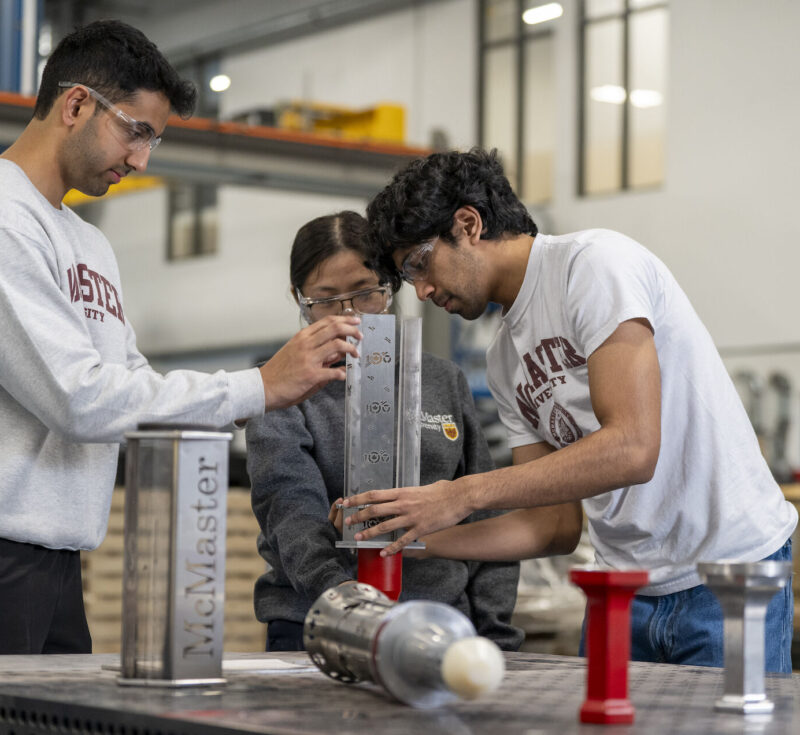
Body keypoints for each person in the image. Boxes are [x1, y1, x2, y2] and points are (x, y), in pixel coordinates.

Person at [342, 148, 798, 671]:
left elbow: (632, 447)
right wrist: (412, 537)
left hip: (729, 577)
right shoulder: (503, 359)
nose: (421, 290)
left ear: (467, 224)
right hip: (622, 589)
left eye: (420, 265)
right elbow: (550, 528)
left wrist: (458, 495)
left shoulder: (594, 265)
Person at [0, 20, 361, 655]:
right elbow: (79, 399)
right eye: (135, 131)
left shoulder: (89, 243)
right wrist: (257, 386)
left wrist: (260, 396)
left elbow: (134, 387)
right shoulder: (6, 219)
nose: (141, 160)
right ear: (76, 103)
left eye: (154, 142)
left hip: (58, 557)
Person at [246, 211, 523, 652]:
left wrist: (493, 631)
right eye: (325, 299)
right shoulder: (279, 389)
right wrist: (357, 611)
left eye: (365, 294)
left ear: (391, 289)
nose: (348, 315)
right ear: (299, 298)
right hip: (318, 625)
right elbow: (291, 518)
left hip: (441, 624)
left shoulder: (441, 381)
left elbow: (485, 509)